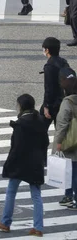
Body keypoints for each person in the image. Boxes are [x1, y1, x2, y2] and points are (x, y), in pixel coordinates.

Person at [0, 94, 48, 237]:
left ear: (21, 106)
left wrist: (9, 164)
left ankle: (6, 223)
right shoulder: (40, 121)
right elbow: (45, 143)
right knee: (36, 195)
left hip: (20, 163)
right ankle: (38, 227)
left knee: (11, 191)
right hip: (36, 164)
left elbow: (15, 147)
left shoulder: (21, 123)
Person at [54, 68, 77, 210]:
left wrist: (57, 143)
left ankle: (71, 197)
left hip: (70, 142)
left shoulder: (67, 103)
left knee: (72, 173)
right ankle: (68, 196)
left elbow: (61, 126)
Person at [41, 37, 70, 127]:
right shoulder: (64, 62)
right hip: (64, 100)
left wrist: (46, 106)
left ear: (47, 50)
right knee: (61, 128)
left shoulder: (49, 66)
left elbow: (49, 88)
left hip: (53, 103)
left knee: (40, 127)